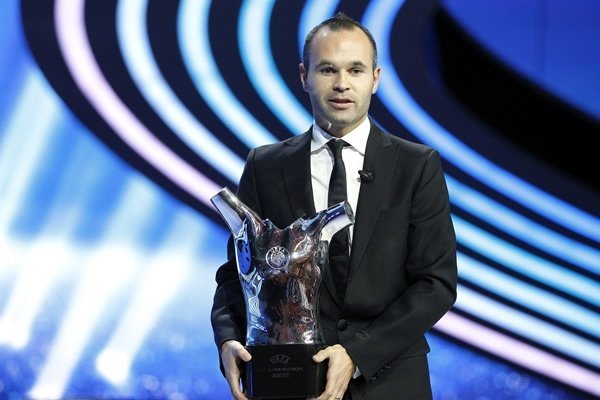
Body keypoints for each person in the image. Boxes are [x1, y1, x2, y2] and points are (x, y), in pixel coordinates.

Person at [211, 12, 457, 400]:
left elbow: (435, 284)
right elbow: (237, 274)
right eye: (328, 70)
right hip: (291, 382)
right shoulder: (266, 165)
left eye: (355, 70)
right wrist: (227, 339)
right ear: (304, 76)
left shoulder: (416, 165)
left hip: (390, 382)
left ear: (374, 80)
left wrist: (357, 353)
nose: (342, 84)